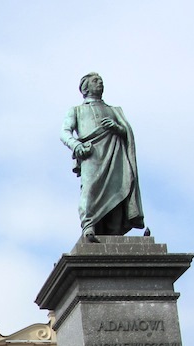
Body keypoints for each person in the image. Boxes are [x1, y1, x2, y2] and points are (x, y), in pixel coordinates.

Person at [60, 72, 146, 242]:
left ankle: (114, 232)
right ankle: (88, 224)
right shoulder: (77, 110)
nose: (100, 83)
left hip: (115, 153)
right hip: (92, 153)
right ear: (85, 87)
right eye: (95, 81)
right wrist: (76, 145)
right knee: (90, 189)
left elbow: (126, 132)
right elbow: (64, 132)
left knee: (119, 187)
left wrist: (117, 128)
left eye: (101, 81)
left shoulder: (114, 110)